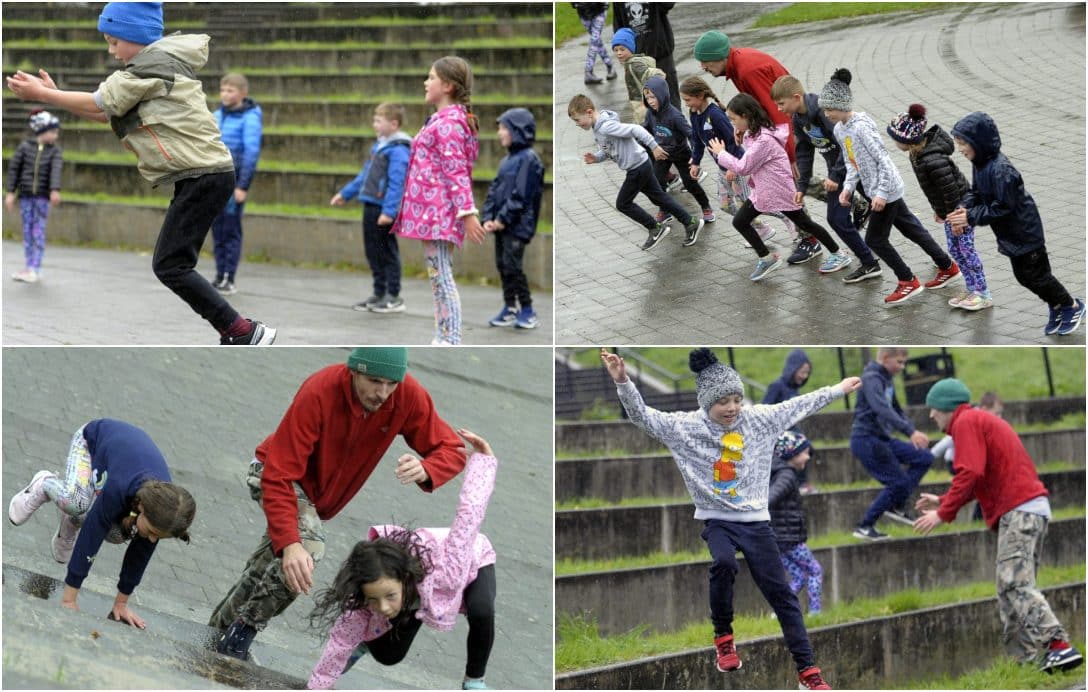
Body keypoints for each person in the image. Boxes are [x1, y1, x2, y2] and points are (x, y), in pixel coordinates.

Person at [5, 2, 275, 344]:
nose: (111, 51)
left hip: (204, 176)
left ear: (136, 36)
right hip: (206, 175)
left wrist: (44, 94)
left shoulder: (147, 69)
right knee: (171, 263)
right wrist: (55, 94)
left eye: (115, 41)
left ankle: (240, 330)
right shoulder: (154, 67)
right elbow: (105, 114)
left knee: (171, 265)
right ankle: (238, 330)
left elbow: (98, 104)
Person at [601, 346, 861, 690]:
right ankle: (723, 637)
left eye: (737, 399)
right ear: (707, 402)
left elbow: (797, 405)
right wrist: (623, 382)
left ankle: (808, 674)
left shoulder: (758, 419)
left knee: (782, 596)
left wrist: (836, 390)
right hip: (718, 519)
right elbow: (643, 417)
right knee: (724, 563)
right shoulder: (685, 427)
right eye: (724, 402)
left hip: (756, 522)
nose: (732, 408)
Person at [209, 347, 467, 660]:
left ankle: (217, 631)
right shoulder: (320, 390)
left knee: (267, 567)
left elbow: (451, 449)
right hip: (272, 473)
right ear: (354, 371)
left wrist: (429, 467)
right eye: (374, 381)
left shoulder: (407, 394)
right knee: (306, 550)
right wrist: (291, 543)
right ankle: (241, 635)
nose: (383, 392)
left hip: (316, 498)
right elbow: (278, 474)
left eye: (391, 384)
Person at [914, 379, 1083, 674]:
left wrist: (942, 514)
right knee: (1008, 590)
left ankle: (1059, 646)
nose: (931, 416)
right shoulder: (976, 420)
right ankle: (1025, 663)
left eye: (933, 409)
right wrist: (943, 502)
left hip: (1020, 510)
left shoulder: (966, 421)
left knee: (1015, 584)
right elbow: (976, 479)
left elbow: (969, 472)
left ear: (947, 407)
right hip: (1027, 509)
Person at [306, 430, 497, 691]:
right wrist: (317, 687)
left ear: (404, 579)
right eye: (374, 600)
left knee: (482, 610)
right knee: (389, 655)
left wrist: (483, 464)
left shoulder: (450, 565)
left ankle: (474, 681)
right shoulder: (362, 599)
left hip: (471, 557)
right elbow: (339, 644)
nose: (382, 607)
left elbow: (469, 513)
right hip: (416, 592)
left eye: (388, 596)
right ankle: (366, 641)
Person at [7, 418, 196, 628]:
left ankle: (70, 520)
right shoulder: (120, 488)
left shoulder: (164, 511)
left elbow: (140, 555)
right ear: (142, 508)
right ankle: (45, 484)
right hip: (91, 444)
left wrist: (121, 604)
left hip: (122, 467)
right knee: (76, 502)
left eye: (158, 537)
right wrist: (69, 598)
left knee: (117, 534)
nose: (153, 539)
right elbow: (92, 534)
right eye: (152, 532)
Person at [818, 69, 960, 307]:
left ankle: (907, 280)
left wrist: (882, 193)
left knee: (875, 239)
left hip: (886, 190)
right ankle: (947, 266)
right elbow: (851, 162)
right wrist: (848, 188)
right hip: (875, 190)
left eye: (829, 108)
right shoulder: (840, 130)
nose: (826, 114)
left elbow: (884, 161)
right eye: (824, 109)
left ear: (843, 105)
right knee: (911, 229)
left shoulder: (861, 127)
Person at [693, 30, 824, 265]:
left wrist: (790, 155)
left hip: (786, 133)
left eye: (706, 62)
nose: (704, 67)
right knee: (793, 182)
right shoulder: (737, 65)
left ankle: (811, 239)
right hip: (780, 133)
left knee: (792, 183)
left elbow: (778, 111)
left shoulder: (746, 69)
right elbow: (757, 107)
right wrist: (744, 127)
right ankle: (847, 202)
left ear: (719, 56)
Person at [947, 112, 1085, 336]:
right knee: (1024, 277)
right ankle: (1057, 304)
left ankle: (1071, 306)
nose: (960, 150)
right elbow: (976, 193)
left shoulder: (1002, 170)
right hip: (1010, 235)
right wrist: (964, 207)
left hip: (1025, 232)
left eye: (963, 144)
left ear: (978, 142)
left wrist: (970, 217)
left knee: (1038, 276)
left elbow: (1003, 206)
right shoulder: (979, 163)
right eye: (959, 144)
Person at [392, 56, 485, 346]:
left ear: (446, 86)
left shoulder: (449, 123)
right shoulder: (442, 120)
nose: (425, 82)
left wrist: (467, 213)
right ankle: (443, 334)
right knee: (437, 277)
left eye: (431, 77)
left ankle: (451, 337)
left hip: (439, 214)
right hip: (431, 214)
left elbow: (456, 170)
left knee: (442, 277)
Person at [708, 94, 852, 281]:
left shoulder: (763, 140)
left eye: (734, 119)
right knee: (740, 221)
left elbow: (744, 167)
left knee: (805, 223)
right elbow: (751, 154)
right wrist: (740, 137)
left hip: (779, 190)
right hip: (764, 190)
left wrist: (722, 154)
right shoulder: (754, 132)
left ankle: (838, 253)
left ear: (746, 116)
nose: (733, 124)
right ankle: (767, 258)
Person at [771, 75, 882, 284]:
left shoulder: (823, 112)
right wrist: (802, 186)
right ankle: (869, 262)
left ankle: (943, 263)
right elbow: (804, 152)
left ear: (796, 97)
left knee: (895, 214)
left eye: (781, 104)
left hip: (858, 167)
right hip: (840, 173)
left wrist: (834, 175)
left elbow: (844, 144)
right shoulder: (798, 119)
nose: (779, 109)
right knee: (837, 219)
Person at [888, 104, 991, 311]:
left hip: (961, 210)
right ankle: (972, 289)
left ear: (907, 139)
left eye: (895, 137)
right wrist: (940, 210)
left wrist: (955, 218)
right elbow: (938, 190)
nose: (893, 141)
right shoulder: (918, 154)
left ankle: (983, 293)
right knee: (955, 249)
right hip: (951, 211)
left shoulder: (932, 159)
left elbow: (951, 191)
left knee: (966, 250)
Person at [569, 93, 703, 251]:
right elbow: (607, 149)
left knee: (623, 203)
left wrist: (654, 146)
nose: (577, 124)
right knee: (659, 198)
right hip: (641, 164)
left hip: (637, 168)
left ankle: (655, 228)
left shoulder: (606, 126)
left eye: (577, 120)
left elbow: (636, 129)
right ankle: (690, 222)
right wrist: (596, 158)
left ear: (589, 112)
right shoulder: (598, 127)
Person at [680, 76, 785, 246]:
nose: (686, 104)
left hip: (736, 166)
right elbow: (697, 140)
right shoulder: (694, 114)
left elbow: (733, 142)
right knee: (725, 205)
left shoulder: (715, 114)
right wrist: (696, 162)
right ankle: (762, 228)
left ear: (700, 95)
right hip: (722, 168)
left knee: (752, 203)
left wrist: (732, 167)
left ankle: (787, 215)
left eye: (688, 99)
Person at [331, 102, 412, 314]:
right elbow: (364, 176)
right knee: (373, 251)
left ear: (393, 124)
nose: (374, 124)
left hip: (383, 210)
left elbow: (397, 183)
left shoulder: (398, 150)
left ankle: (393, 295)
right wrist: (345, 193)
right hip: (370, 204)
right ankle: (379, 292)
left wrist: (389, 212)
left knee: (387, 252)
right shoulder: (379, 147)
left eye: (379, 120)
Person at [849, 348, 933, 540]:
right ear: (885, 358)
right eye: (900, 362)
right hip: (866, 439)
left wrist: (913, 430)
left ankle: (897, 504)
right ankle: (864, 526)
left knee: (924, 457)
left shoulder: (886, 378)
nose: (903, 367)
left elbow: (896, 409)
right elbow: (880, 408)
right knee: (897, 482)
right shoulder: (871, 378)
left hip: (882, 437)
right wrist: (909, 432)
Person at [482, 108, 545, 329]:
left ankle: (527, 309)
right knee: (502, 264)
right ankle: (510, 307)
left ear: (517, 131)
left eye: (503, 128)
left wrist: (502, 219)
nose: (499, 133)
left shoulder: (528, 160)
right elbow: (493, 191)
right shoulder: (507, 160)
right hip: (502, 225)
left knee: (513, 266)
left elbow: (521, 196)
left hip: (518, 226)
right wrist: (488, 218)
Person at [210, 72, 262, 296]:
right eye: (223, 90)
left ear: (242, 93)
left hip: (234, 178)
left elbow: (251, 152)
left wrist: (243, 186)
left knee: (231, 229)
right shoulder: (216, 115)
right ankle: (219, 273)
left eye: (230, 90)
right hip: (215, 179)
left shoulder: (250, 117)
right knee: (217, 228)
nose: (225, 94)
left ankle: (229, 277)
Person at [641, 76, 715, 231]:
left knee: (690, 183)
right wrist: (646, 146)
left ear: (662, 95)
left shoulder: (674, 115)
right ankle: (664, 210)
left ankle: (706, 207)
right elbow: (645, 132)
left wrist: (695, 157)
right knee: (657, 182)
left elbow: (691, 134)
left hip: (682, 154)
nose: (650, 101)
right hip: (662, 154)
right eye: (647, 97)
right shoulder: (650, 114)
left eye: (653, 97)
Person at [5, 109, 62, 284]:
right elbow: (14, 170)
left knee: (38, 231)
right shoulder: (24, 148)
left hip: (42, 198)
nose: (56, 135)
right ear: (41, 131)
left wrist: (54, 189)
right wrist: (10, 193)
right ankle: (29, 266)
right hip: (25, 197)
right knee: (27, 232)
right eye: (53, 131)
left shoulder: (55, 151)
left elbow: (55, 171)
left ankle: (35, 268)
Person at [769, 431, 823, 615]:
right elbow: (771, 498)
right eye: (805, 453)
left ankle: (778, 612)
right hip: (789, 539)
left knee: (799, 576)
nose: (808, 457)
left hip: (780, 539)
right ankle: (815, 612)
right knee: (815, 571)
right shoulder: (786, 476)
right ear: (791, 454)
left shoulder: (781, 473)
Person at [763, 349, 815, 493]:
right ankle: (799, 484)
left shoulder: (795, 390)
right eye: (802, 371)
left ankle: (802, 483)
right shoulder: (777, 386)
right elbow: (765, 407)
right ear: (793, 368)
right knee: (801, 447)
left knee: (808, 448)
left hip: (792, 430)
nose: (804, 376)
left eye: (807, 373)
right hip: (779, 432)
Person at [613, 2, 679, 107]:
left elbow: (667, 4)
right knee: (645, 102)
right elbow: (619, 25)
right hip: (637, 58)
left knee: (670, 98)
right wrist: (621, 50)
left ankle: (675, 122)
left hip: (660, 51)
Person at [610, 28, 662, 125]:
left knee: (645, 131)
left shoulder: (634, 64)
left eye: (622, 49)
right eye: (616, 50)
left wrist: (658, 76)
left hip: (643, 105)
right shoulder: (630, 63)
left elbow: (649, 73)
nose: (619, 53)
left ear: (631, 49)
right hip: (641, 104)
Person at [572, 3, 616, 85]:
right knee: (596, 40)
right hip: (583, 11)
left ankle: (588, 71)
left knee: (595, 39)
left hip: (599, 9)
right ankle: (610, 66)